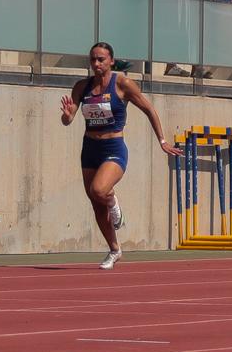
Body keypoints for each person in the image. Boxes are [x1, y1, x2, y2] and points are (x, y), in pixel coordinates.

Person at [59, 42, 178, 270]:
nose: (96, 64)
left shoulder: (122, 84)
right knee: (96, 205)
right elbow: (69, 119)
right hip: (89, 148)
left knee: (99, 190)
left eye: (101, 59)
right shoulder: (82, 86)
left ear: (111, 61)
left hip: (113, 147)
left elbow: (149, 109)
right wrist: (66, 115)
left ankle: (114, 201)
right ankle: (114, 249)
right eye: (93, 59)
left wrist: (162, 140)